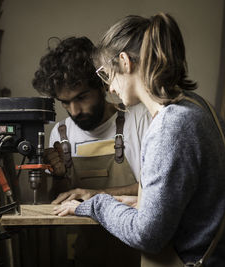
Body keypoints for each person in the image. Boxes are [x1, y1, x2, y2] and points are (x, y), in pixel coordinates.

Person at [53, 13, 225, 266]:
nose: (111, 89)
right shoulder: (198, 107)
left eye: (107, 76)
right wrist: (139, 202)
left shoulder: (170, 126)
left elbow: (147, 236)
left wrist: (97, 203)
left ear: (125, 62)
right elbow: (198, 201)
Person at [32, 37, 151, 266]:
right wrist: (57, 177)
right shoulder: (60, 132)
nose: (74, 111)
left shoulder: (138, 120)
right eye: (65, 103)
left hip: (132, 252)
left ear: (102, 85)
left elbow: (152, 190)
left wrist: (96, 194)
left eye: (81, 97)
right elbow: (60, 201)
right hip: (81, 254)